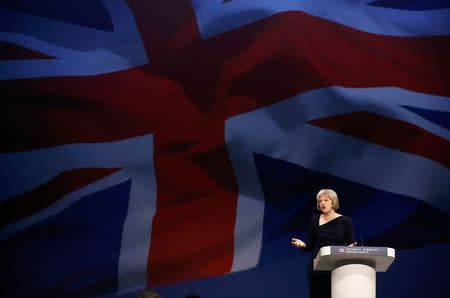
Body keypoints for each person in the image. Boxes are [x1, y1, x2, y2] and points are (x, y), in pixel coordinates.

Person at [291, 189, 356, 298]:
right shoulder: (315, 219)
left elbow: (351, 244)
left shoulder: (345, 221)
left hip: (337, 266)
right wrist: (303, 245)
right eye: (320, 201)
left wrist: (351, 247)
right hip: (317, 266)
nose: (322, 203)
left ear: (333, 202)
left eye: (326, 200)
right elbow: (310, 245)